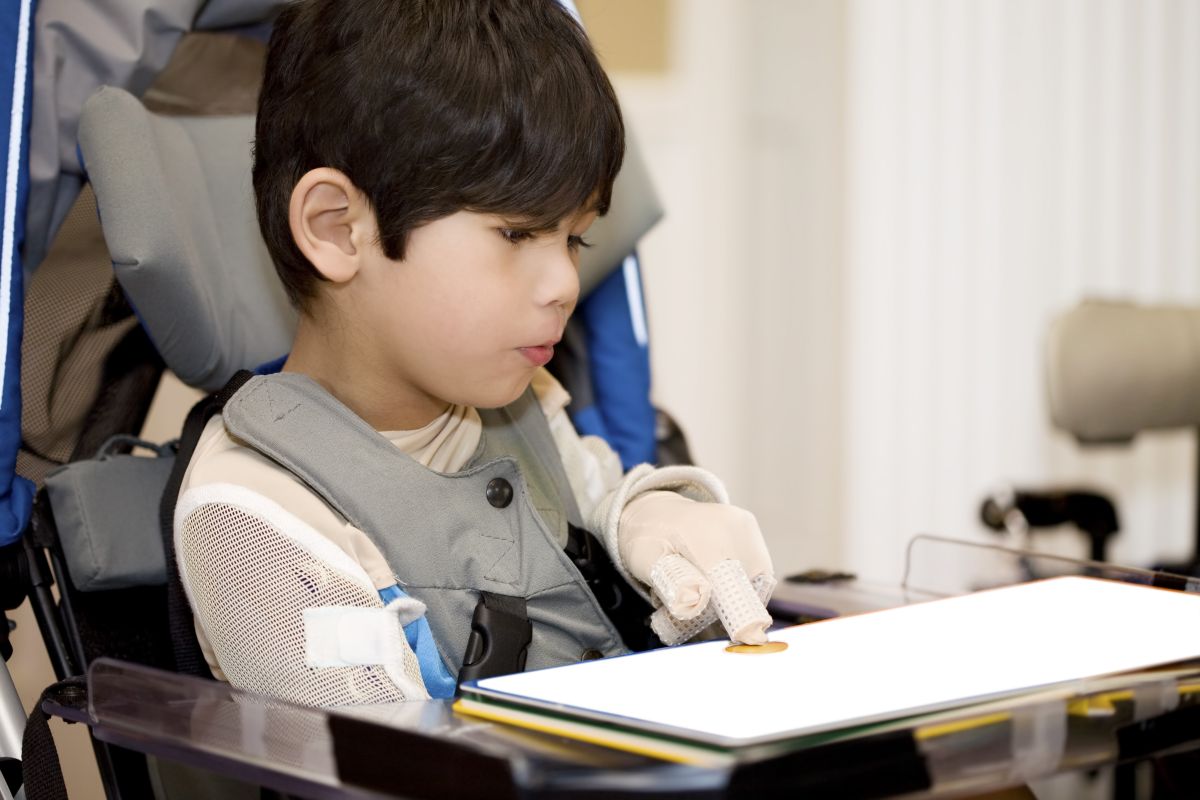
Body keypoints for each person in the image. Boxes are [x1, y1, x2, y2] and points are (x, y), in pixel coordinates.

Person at [173, 0, 776, 707]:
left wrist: (648, 518)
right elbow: (378, 764)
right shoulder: (253, 516)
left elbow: (591, 503)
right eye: (518, 236)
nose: (563, 284)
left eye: (575, 239)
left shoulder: (521, 398)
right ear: (339, 230)